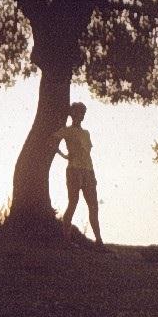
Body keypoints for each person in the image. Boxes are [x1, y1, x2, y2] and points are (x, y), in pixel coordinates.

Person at [49, 101, 104, 247]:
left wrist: (93, 175)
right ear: (72, 114)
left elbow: (87, 154)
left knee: (93, 206)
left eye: (82, 113)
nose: (80, 116)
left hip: (88, 171)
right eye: (78, 112)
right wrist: (63, 154)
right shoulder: (66, 130)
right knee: (73, 203)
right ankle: (66, 240)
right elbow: (52, 142)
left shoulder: (86, 133)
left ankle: (99, 241)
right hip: (74, 170)